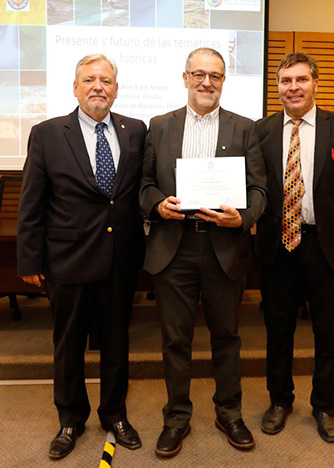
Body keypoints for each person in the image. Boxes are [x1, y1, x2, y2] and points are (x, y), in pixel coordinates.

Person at [17, 54, 146, 460]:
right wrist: (29, 260)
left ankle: (115, 414)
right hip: (67, 259)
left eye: (106, 80)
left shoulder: (135, 131)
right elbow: (32, 203)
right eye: (89, 80)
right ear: (75, 87)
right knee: (68, 344)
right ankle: (70, 418)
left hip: (119, 260)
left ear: (116, 89)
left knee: (116, 342)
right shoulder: (48, 133)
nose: (98, 87)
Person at [140, 47, 267, 458]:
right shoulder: (159, 126)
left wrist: (243, 218)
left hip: (223, 246)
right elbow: (142, 185)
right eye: (199, 74)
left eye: (215, 75)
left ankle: (229, 412)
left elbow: (259, 189)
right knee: (175, 340)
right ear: (185, 78)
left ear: (224, 80)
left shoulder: (245, 128)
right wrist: (157, 204)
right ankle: (176, 418)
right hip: (173, 248)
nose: (206, 82)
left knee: (226, 337)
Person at [255, 52, 334, 444]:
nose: (294, 88)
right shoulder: (262, 130)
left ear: (315, 84)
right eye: (286, 81)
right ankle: (280, 401)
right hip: (277, 246)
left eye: (301, 80)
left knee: (327, 331)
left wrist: (331, 215)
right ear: (278, 87)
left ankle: (324, 405)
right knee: (278, 330)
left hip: (324, 244)